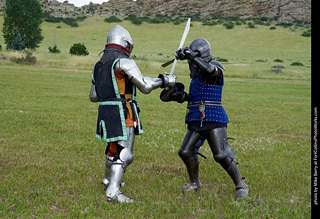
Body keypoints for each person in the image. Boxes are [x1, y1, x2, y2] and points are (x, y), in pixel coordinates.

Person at [90, 25, 176, 203]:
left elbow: (94, 96)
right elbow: (144, 86)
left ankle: (108, 180)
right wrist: (165, 80)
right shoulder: (124, 62)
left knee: (112, 148)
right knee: (125, 152)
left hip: (105, 111)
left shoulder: (99, 65)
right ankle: (113, 191)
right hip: (123, 111)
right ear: (126, 44)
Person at [160, 38, 248, 199]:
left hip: (213, 117)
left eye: (193, 59)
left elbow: (210, 71)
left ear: (200, 55)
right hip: (195, 119)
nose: (191, 65)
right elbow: (193, 97)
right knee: (185, 151)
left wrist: (191, 56)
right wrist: (178, 95)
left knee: (221, 155)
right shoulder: (196, 78)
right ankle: (195, 184)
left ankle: (241, 185)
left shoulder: (215, 67)